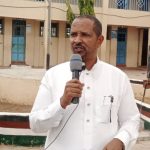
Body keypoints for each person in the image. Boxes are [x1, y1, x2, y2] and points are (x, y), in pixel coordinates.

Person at [29, 15, 140, 150]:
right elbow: (35, 124)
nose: (77, 40)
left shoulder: (118, 78)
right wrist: (62, 102)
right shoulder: (53, 75)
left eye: (85, 35)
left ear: (100, 40)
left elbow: (131, 119)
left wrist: (121, 140)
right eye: (73, 34)